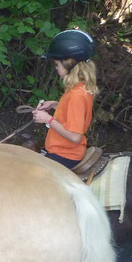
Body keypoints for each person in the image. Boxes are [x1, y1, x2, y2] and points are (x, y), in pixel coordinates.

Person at [31, 29, 99, 169]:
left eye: (57, 64)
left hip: (65, 154)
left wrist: (48, 119)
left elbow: (75, 137)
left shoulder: (76, 95)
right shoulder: (80, 88)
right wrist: (56, 105)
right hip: (64, 151)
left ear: (69, 64)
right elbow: (75, 113)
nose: (56, 68)